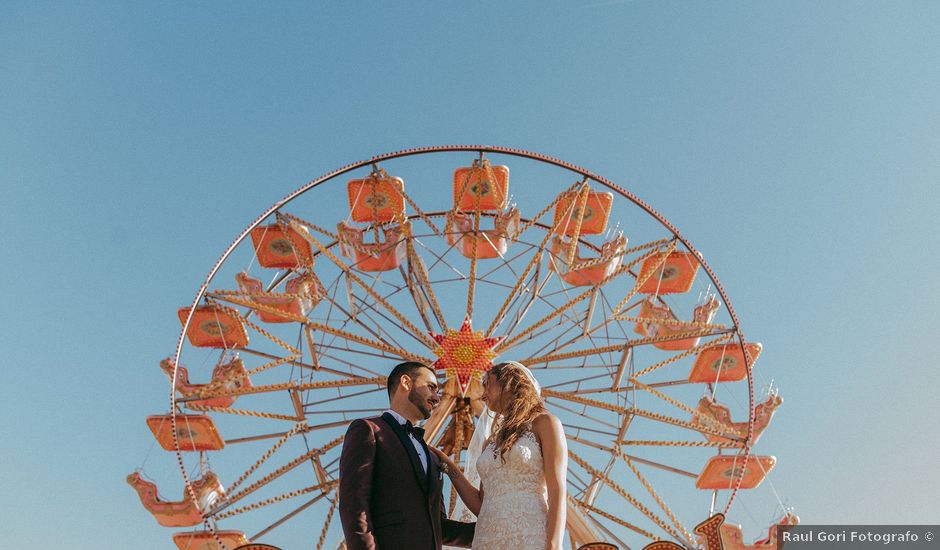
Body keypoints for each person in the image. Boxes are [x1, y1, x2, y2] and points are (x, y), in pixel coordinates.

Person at [430, 361, 568, 550]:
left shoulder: (545, 423)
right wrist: (448, 466)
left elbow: (556, 490)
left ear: (509, 382)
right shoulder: (489, 443)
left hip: (529, 531)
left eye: (487, 384)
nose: (482, 394)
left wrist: (554, 543)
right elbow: (481, 503)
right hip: (488, 536)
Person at [339, 361, 476, 550]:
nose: (437, 398)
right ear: (406, 382)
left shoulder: (433, 456)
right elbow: (354, 505)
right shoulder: (369, 430)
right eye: (431, 387)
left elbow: (437, 525)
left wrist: (494, 531)